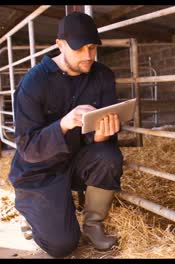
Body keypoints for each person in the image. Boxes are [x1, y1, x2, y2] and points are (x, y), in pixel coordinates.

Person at [8, 12, 124, 258]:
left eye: (92, 48)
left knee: (108, 156)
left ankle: (93, 224)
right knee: (62, 246)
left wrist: (103, 134)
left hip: (76, 159)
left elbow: (100, 143)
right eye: (79, 49)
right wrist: (64, 123)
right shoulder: (34, 82)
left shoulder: (102, 76)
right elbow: (26, 146)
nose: (88, 55)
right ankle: (33, 214)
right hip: (39, 170)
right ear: (60, 45)